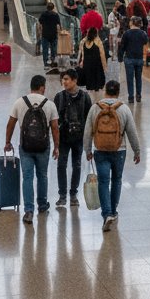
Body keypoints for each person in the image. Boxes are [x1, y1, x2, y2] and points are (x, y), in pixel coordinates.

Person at [83, 80, 140, 232]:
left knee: (103, 181)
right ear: (118, 92)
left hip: (100, 149)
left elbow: (87, 131)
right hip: (119, 150)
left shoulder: (95, 108)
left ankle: (106, 213)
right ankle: (113, 211)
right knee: (117, 180)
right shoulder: (124, 108)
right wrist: (137, 151)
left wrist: (87, 150)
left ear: (105, 90)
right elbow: (132, 132)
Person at [4, 75, 60, 224]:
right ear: (42, 87)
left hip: (26, 146)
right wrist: (56, 147)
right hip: (43, 146)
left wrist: (7, 142)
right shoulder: (49, 104)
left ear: (31, 86)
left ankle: (29, 210)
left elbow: (10, 124)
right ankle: (42, 205)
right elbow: (55, 128)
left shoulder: (20, 102)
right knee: (42, 176)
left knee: (27, 177)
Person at [53, 69, 92, 207]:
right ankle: (62, 195)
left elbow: (89, 119)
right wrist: (56, 142)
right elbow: (54, 119)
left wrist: (89, 143)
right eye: (63, 79)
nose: (64, 82)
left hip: (79, 138)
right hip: (63, 138)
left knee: (77, 165)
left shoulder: (85, 97)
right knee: (61, 165)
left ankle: (73, 194)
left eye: (67, 79)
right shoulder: (59, 97)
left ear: (75, 80)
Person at [118, 15, 149, 104]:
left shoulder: (126, 33)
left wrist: (120, 57)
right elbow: (145, 42)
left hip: (129, 58)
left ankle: (131, 97)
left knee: (130, 78)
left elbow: (122, 46)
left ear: (132, 22)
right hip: (139, 58)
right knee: (138, 78)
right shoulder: (143, 33)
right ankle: (138, 95)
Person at [79, 25, 106, 94]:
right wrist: (104, 66)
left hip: (87, 64)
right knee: (97, 84)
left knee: (89, 83)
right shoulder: (98, 41)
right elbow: (102, 54)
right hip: (96, 65)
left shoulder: (83, 42)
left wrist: (81, 62)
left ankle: (90, 95)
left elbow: (82, 54)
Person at [38, 2, 61, 69]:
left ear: (46, 7)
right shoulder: (55, 15)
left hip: (45, 34)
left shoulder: (43, 14)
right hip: (53, 34)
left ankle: (45, 63)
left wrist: (40, 30)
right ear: (53, 8)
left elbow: (40, 22)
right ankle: (53, 61)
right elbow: (59, 24)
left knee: (45, 49)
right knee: (53, 49)